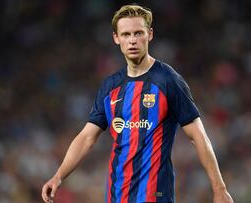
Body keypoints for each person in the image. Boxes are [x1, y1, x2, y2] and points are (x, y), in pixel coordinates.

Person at [42, 4, 234, 203]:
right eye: (125, 34)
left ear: (149, 35)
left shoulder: (168, 81)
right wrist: (59, 176)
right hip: (117, 195)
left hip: (156, 195)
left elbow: (198, 136)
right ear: (116, 38)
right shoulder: (110, 86)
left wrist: (219, 188)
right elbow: (86, 138)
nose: (132, 40)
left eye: (138, 33)